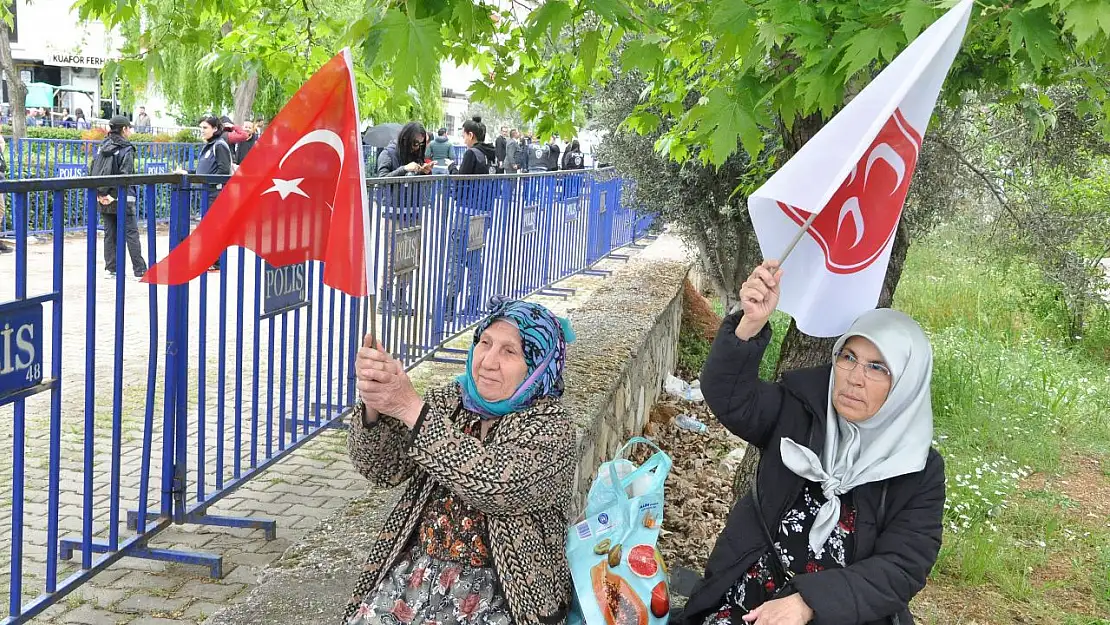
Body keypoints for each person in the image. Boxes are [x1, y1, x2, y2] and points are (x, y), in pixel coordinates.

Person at [678, 260, 945, 625]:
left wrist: (808, 602)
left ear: (906, 385)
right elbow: (730, 397)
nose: (854, 378)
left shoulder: (917, 470)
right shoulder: (801, 411)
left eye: (877, 367)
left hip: (836, 615)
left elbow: (901, 568)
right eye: (848, 358)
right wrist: (750, 323)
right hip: (747, 600)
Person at [344, 296, 577, 625]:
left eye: (509, 351)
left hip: (504, 595)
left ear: (538, 366)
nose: (488, 361)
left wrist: (410, 408)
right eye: (485, 343)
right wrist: (375, 405)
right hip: (416, 580)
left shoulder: (553, 429)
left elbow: (496, 484)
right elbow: (383, 469)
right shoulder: (452, 401)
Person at [443, 116, 497, 325]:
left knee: (455, 258)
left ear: (471, 135)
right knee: (475, 259)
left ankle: (449, 305)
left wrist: (451, 168)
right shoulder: (492, 156)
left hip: (465, 211)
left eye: (464, 134)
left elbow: (461, 179)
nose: (463, 138)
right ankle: (473, 303)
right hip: (484, 213)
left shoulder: (471, 154)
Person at [376, 122, 432, 315]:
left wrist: (424, 171)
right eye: (415, 143)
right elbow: (382, 180)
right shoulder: (388, 153)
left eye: (421, 144)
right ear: (406, 139)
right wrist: (404, 169)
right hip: (394, 214)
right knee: (392, 258)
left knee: (410, 257)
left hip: (413, 212)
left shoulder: (415, 154)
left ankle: (401, 297)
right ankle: (385, 300)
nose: (418, 147)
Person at [91, 115, 148, 279]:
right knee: (131, 233)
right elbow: (126, 175)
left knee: (110, 233)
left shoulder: (103, 146)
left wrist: (101, 194)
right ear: (124, 129)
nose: (130, 131)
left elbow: (93, 169)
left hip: (103, 197)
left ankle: (111, 268)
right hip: (121, 196)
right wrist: (114, 195)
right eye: (128, 128)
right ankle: (140, 270)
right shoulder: (126, 148)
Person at [174, 115, 233, 271]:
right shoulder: (209, 146)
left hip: (215, 193)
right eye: (201, 128)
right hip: (207, 192)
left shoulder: (219, 145)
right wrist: (187, 172)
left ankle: (212, 261)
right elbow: (203, 170)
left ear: (215, 128)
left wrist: (208, 182)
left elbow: (224, 171)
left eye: (205, 128)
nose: (202, 131)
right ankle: (213, 260)